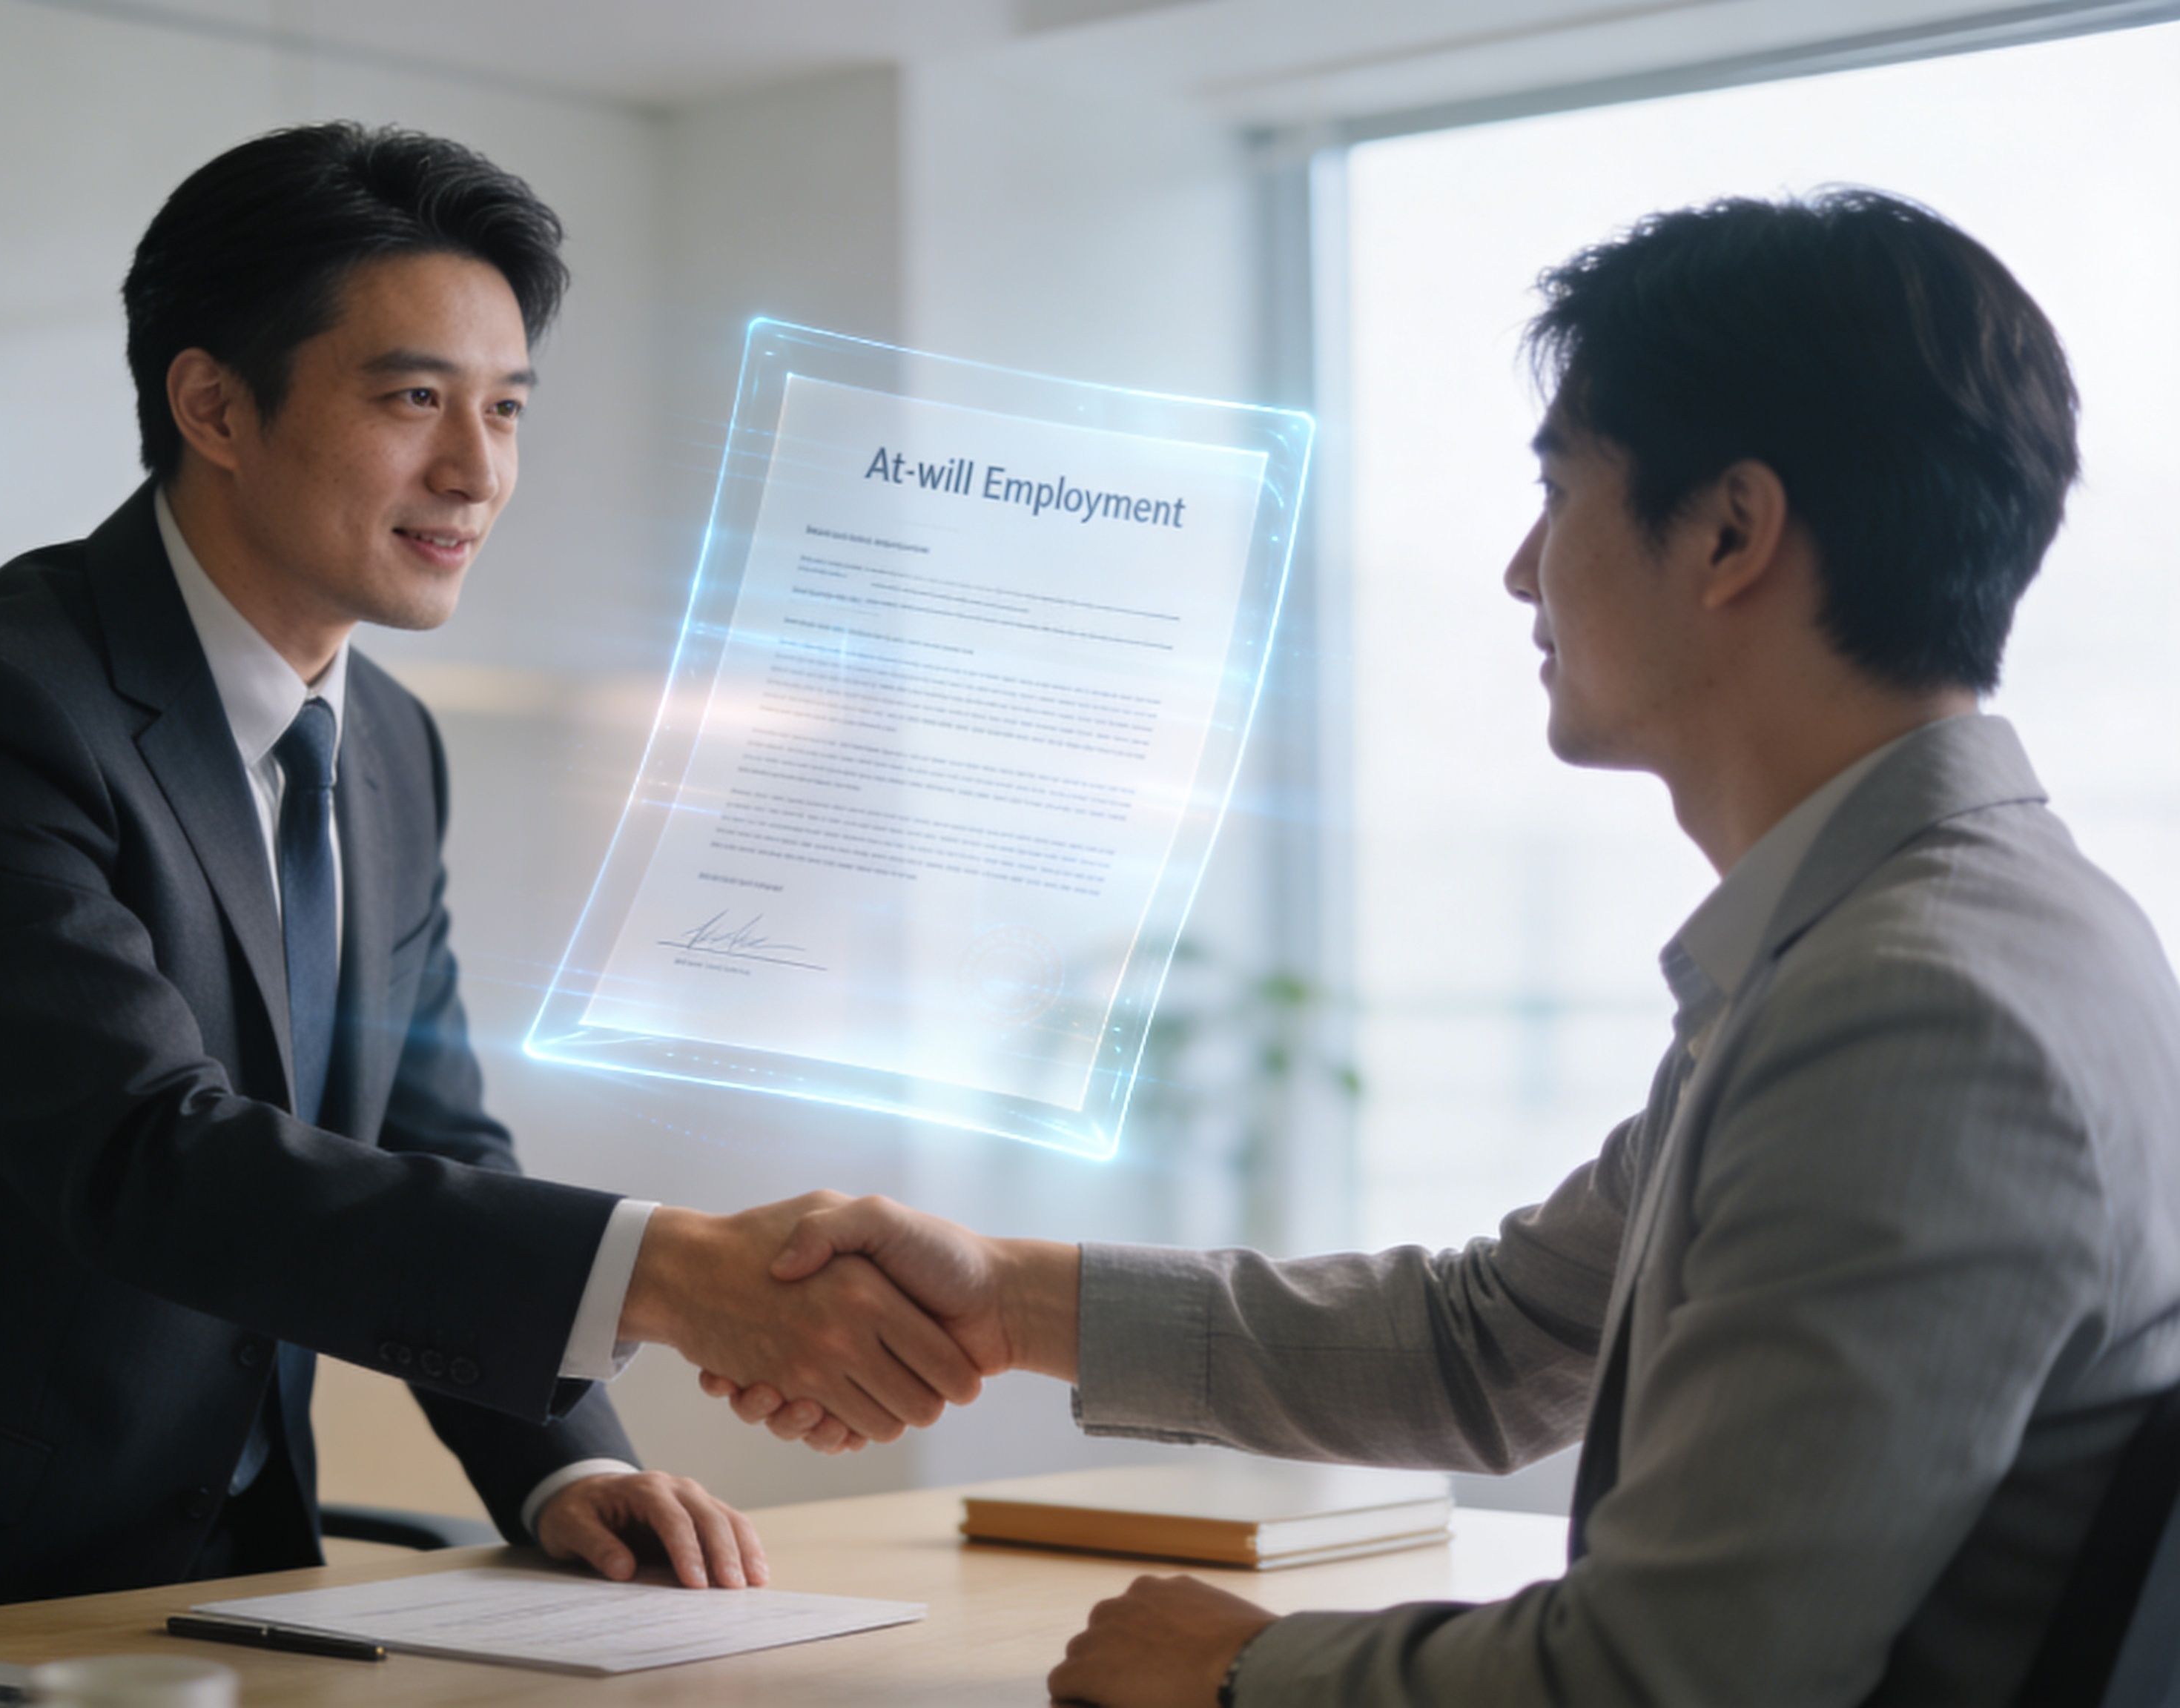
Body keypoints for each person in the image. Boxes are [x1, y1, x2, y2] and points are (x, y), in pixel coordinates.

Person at [707, 190, 2180, 1704]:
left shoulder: (1913, 1013)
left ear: (1729, 531)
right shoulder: (1938, 937)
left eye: (1560, 494)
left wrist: (1239, 1674)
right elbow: (1495, 1342)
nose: (1521, 569)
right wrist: (1005, 1298)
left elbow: (1672, 1678)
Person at [0, 122, 982, 1612]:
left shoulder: (383, 746)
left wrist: (565, 1470)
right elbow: (147, 1160)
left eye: (505, 409)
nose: (475, 471)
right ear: (214, 406)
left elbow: (424, 1134)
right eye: (414, 398)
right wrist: (667, 1270)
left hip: (228, 1586)